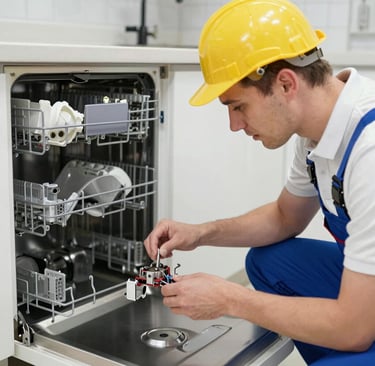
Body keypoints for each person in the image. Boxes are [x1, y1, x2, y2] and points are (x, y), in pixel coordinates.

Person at [144, 0, 375, 364]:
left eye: (238, 106)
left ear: (285, 83)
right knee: (270, 262)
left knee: (348, 336)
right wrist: (200, 233)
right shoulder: (316, 133)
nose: (235, 125)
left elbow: (355, 328)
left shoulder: (370, 151)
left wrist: (231, 300)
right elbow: (285, 218)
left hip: (361, 320)